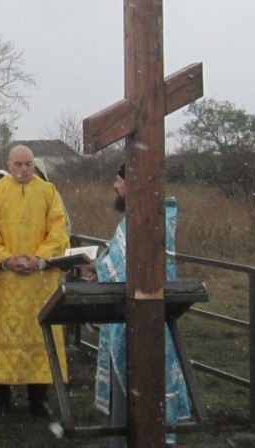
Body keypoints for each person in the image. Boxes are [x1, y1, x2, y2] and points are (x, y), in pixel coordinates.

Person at [92, 164, 191, 446]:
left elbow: (121, 271)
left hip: (135, 320)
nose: (115, 185)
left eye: (119, 179)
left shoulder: (140, 221)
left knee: (133, 399)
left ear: (133, 184)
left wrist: (98, 265)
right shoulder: (157, 217)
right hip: (148, 317)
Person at [0, 144, 70, 418]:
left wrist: (39, 258)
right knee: (0, 338)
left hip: (39, 283)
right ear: (8, 164)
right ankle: (0, 399)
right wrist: (6, 259)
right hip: (3, 283)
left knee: (41, 339)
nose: (24, 169)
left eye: (28, 164)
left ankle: (39, 399)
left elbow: (59, 232)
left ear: (34, 164)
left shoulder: (49, 192)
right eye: (18, 164)